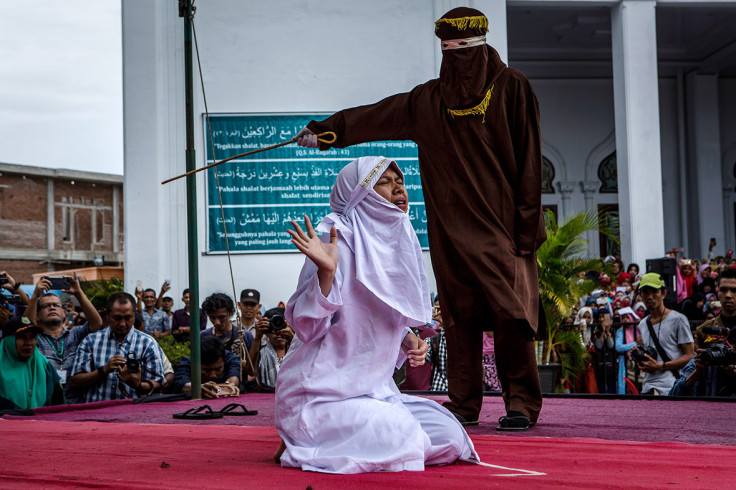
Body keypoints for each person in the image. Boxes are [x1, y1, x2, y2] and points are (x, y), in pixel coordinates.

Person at [294, 6, 545, 430]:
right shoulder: (429, 100)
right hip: (449, 231)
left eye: (464, 51)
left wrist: (525, 232)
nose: (457, 62)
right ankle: (465, 405)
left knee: (512, 315)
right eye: (448, 52)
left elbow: (530, 165)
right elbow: (375, 116)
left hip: (502, 231)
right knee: (459, 315)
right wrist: (326, 133)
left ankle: (520, 404)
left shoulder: (512, 87)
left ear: (482, 47)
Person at [275, 156, 478, 473]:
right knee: (404, 437)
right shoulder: (335, 238)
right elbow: (307, 328)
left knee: (450, 435)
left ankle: (328, 440)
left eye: (400, 181)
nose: (399, 187)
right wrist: (326, 275)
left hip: (372, 394)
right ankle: (304, 435)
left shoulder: (398, 238)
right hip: (321, 395)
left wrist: (409, 338)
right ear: (359, 193)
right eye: (385, 181)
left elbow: (380, 318)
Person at [70, 292, 164, 402]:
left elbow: (159, 383)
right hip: (96, 413)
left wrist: (138, 385)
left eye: (128, 318)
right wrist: (103, 370)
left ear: (135, 314)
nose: (123, 324)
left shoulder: (148, 343)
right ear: (107, 315)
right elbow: (75, 381)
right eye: (117, 318)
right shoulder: (90, 341)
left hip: (134, 414)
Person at [25, 275, 103, 404]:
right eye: (46, 306)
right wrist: (34, 296)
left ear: (64, 313)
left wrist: (78, 292)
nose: (52, 307)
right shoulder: (34, 339)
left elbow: (96, 324)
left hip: (76, 404)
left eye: (56, 305)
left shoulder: (75, 334)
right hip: (44, 404)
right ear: (37, 316)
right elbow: (25, 326)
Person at [670, 268, 736, 396]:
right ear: (717, 291)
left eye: (734, 290)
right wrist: (698, 372)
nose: (728, 295)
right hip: (712, 401)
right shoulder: (705, 330)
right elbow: (675, 393)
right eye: (723, 289)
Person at [634, 273, 695, 395]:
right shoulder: (643, 324)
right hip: (647, 388)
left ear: (663, 293)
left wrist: (660, 366)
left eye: (655, 292)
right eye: (645, 292)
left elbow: (690, 355)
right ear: (640, 295)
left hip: (671, 388)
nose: (650, 297)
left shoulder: (678, 319)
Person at [0, 316, 65, 410]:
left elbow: (60, 407)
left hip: (42, 423)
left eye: (32, 337)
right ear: (9, 341)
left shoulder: (46, 367)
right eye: (22, 337)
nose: (28, 343)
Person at [174, 336, 241, 398]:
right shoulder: (187, 363)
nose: (213, 375)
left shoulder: (230, 358)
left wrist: (232, 384)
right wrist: (197, 388)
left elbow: (235, 371)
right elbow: (182, 384)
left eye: (218, 369)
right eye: (207, 370)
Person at [249, 307, 294, 391]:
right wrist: (257, 338)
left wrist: (293, 338)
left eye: (280, 326)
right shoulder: (261, 353)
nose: (276, 332)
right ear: (266, 330)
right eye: (272, 328)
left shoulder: (297, 351)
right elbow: (250, 371)